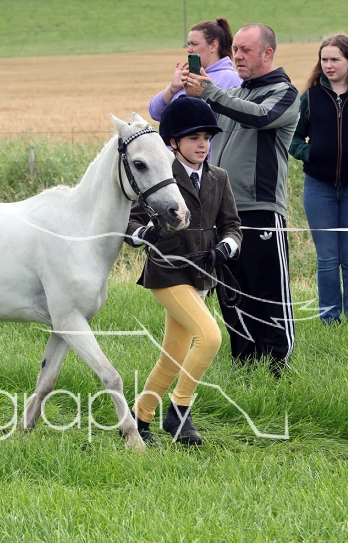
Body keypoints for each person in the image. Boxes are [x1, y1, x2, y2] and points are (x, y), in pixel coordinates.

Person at [183, 23, 299, 373]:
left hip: (261, 209)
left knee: (268, 292)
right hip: (223, 212)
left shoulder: (285, 92)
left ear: (268, 53)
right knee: (232, 293)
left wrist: (212, 92)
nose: (237, 56)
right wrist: (187, 93)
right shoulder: (236, 94)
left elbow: (261, 117)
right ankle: (245, 367)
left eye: (246, 50)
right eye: (236, 50)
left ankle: (277, 368)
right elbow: (202, 127)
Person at [126, 96, 242, 445]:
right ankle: (179, 411)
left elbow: (232, 226)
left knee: (173, 356)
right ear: (174, 142)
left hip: (201, 275)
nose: (203, 144)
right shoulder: (163, 175)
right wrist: (144, 234)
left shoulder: (219, 177)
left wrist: (226, 248)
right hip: (167, 271)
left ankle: (138, 420)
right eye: (194, 138)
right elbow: (131, 221)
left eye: (207, 137)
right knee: (210, 337)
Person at [289, 34, 348, 324]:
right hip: (318, 188)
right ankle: (329, 318)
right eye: (324, 59)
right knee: (327, 257)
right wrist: (310, 154)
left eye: (335, 59)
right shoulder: (310, 97)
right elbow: (292, 137)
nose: (328, 65)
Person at [148, 18, 242, 122]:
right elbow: (155, 113)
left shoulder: (230, 78)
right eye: (189, 44)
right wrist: (173, 88)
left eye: (194, 44)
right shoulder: (191, 77)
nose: (189, 49)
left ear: (213, 46)